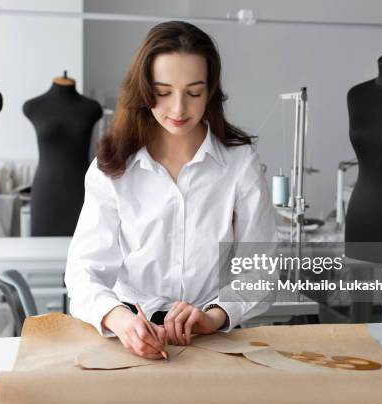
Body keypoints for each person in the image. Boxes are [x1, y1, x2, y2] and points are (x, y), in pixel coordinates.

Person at [65, 21, 277, 360]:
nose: (178, 109)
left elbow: (260, 269)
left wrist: (215, 315)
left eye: (193, 93)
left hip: (213, 341)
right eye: (163, 92)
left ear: (210, 92)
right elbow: (83, 272)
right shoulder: (113, 166)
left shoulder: (240, 163)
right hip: (131, 339)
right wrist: (119, 319)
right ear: (144, 90)